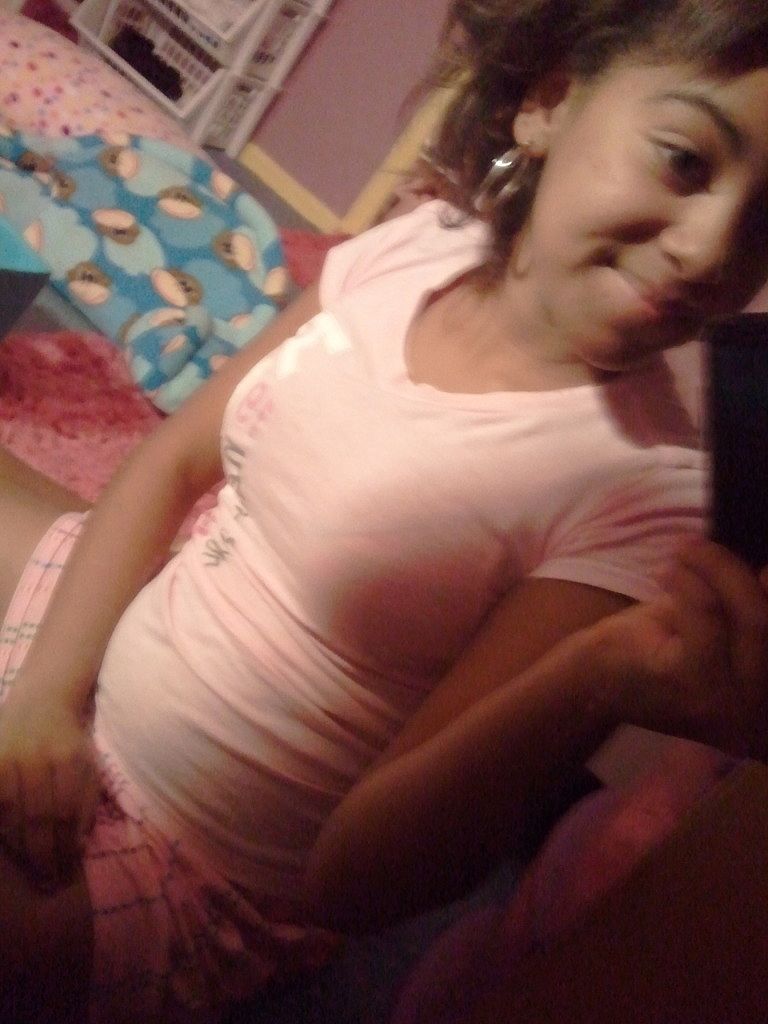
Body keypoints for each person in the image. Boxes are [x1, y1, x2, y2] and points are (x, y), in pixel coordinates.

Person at [2, 0, 768, 1020]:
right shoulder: (420, 247)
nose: (713, 251)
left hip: (195, 868)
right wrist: (47, 696)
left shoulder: (644, 486)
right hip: (113, 655)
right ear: (550, 103)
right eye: (684, 161)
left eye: (767, 223)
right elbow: (175, 462)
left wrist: (597, 678)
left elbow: (354, 884)